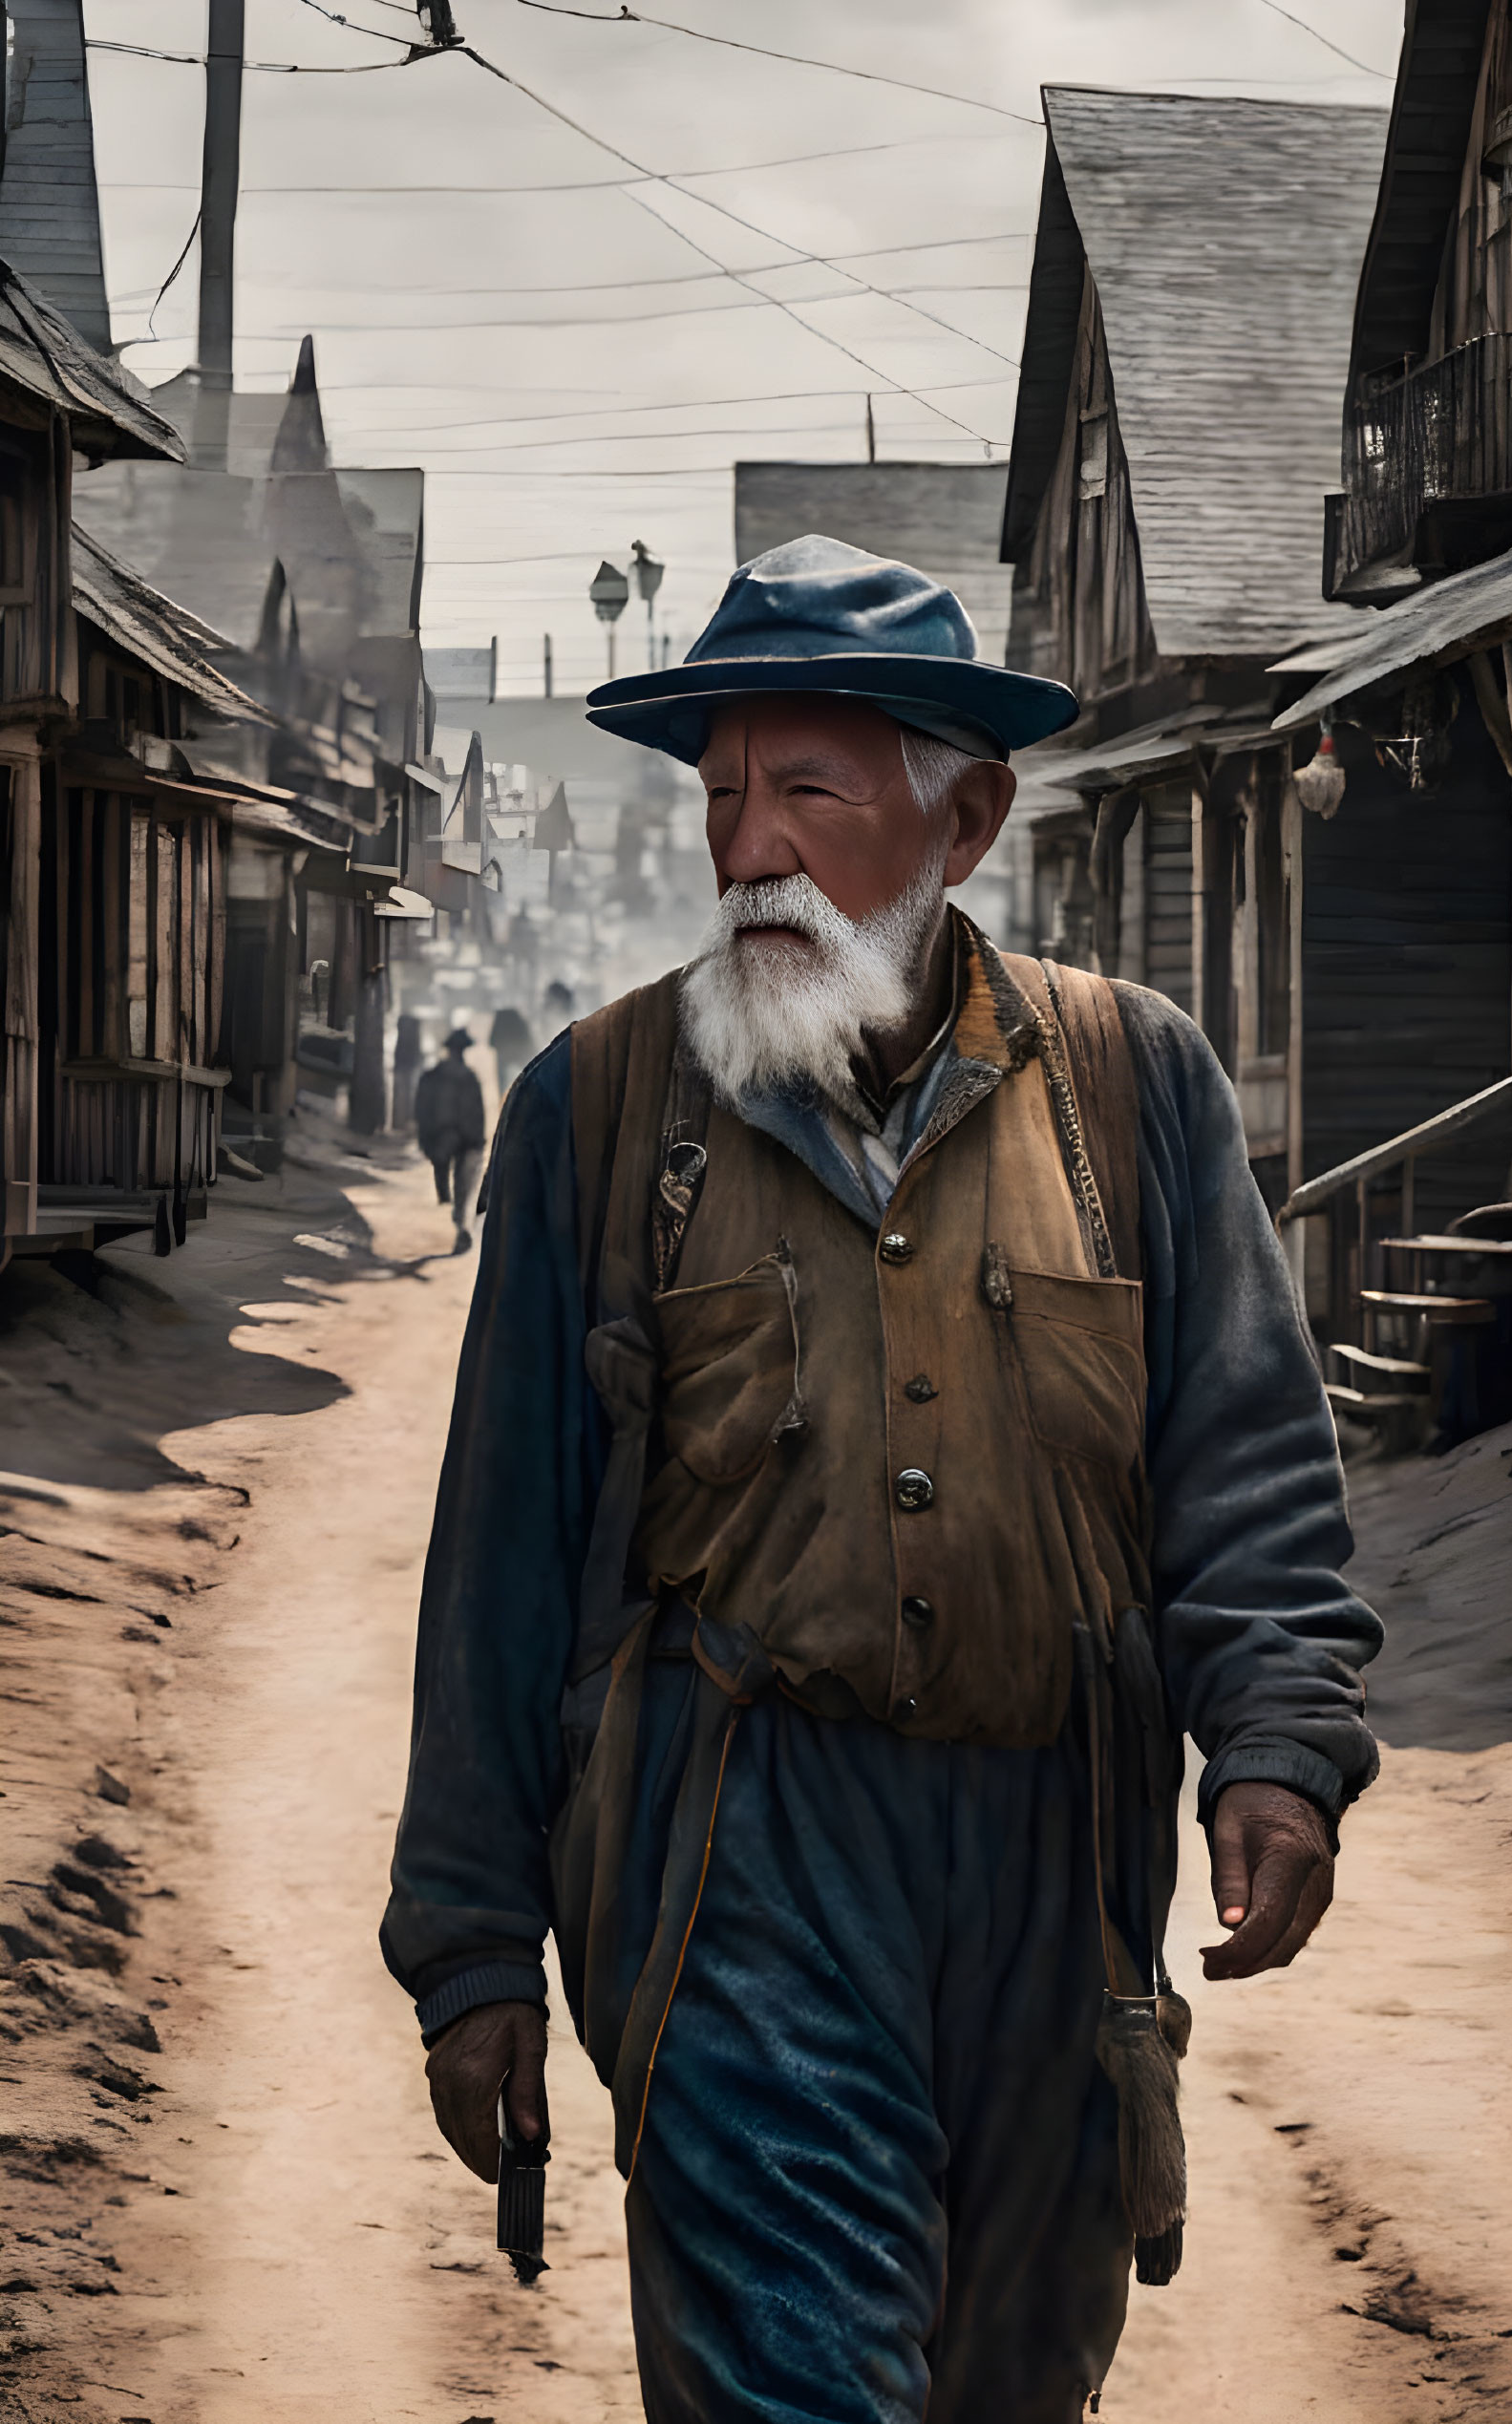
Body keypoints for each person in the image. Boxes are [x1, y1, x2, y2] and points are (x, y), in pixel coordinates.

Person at [383, 537, 1382, 2419]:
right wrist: (468, 1945)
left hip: (1051, 1886)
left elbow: (1244, 1463)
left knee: (1011, 2385)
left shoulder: (1132, 1086)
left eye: (809, 792)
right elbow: (500, 1564)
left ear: (966, 820)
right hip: (740, 1854)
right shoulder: (597, 1113)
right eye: (723, 793)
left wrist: (1276, 1741)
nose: (747, 843)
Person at [412, 1028, 485, 1254]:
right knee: (457, 1186)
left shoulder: (435, 1077)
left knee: (457, 1186)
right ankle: (457, 1223)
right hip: (453, 1138)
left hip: (453, 1138)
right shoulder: (459, 1077)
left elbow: (422, 1111)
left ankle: (459, 1226)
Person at [488, 1004, 536, 1098]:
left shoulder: (500, 1020)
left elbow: (492, 1042)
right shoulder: (517, 1021)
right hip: (514, 1060)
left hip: (512, 1060)